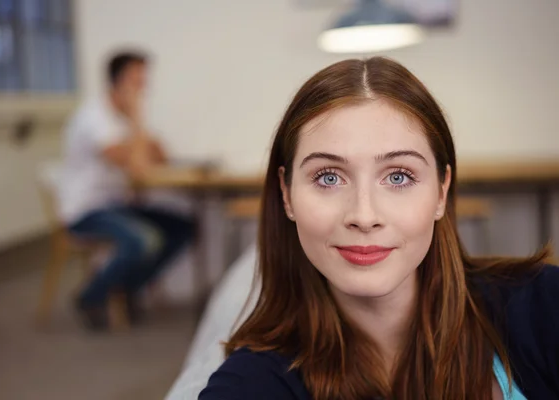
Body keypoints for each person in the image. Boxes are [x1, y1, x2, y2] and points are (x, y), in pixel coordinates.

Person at [199, 58, 559, 399]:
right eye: (328, 177)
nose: (364, 215)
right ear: (286, 193)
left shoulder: (544, 305)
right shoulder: (252, 382)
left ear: (441, 191)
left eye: (399, 176)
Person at [58, 51, 194, 330]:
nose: (143, 87)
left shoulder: (119, 119)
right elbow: (138, 168)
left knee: (183, 228)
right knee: (144, 240)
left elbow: (160, 156)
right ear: (117, 82)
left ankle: (127, 289)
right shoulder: (94, 118)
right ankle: (90, 297)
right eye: (137, 80)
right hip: (86, 210)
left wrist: (138, 131)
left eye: (144, 80)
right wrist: (137, 119)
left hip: (116, 205)